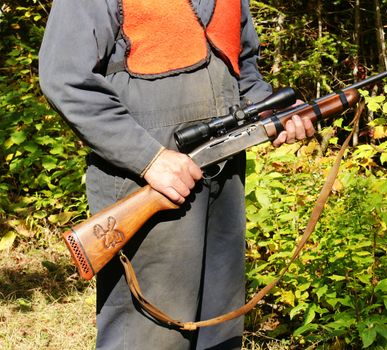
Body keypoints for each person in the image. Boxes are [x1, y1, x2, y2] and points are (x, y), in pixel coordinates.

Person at [39, 0, 314, 349]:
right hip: (142, 178)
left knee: (219, 328)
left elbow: (242, 69)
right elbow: (65, 79)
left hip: (223, 176)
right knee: (147, 335)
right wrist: (148, 158)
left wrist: (275, 110)